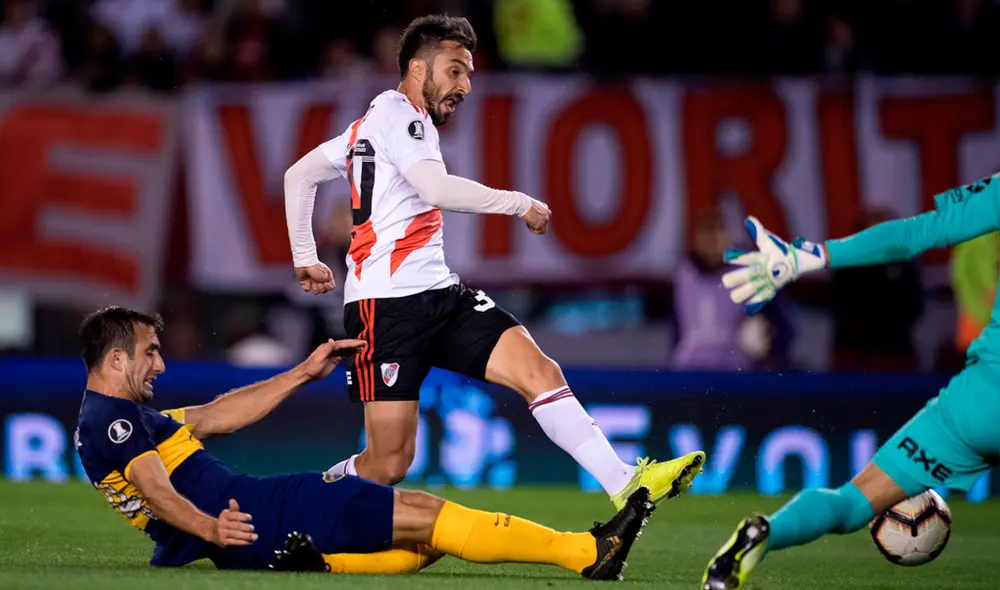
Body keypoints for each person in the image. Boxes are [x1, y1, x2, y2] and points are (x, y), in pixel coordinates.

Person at [282, 13, 703, 511]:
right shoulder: (402, 117)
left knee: (539, 371)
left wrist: (305, 257)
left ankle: (626, 483)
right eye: (454, 70)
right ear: (417, 68)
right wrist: (518, 203)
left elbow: (298, 175)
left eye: (468, 74)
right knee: (388, 464)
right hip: (387, 309)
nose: (465, 86)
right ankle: (301, 504)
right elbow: (435, 188)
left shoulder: (368, 126)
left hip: (439, 295)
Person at [75, 305, 653, 578]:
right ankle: (586, 553)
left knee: (427, 542)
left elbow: (216, 416)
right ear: (116, 359)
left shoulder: (118, 419)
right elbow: (155, 489)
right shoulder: (114, 420)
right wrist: (210, 528)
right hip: (260, 515)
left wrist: (303, 372)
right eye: (150, 352)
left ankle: (321, 565)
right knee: (429, 516)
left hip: (256, 521)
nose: (160, 363)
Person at [701, 174, 1000, 590]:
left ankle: (767, 531)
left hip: (981, 399)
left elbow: (916, 233)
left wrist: (809, 257)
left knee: (854, 499)